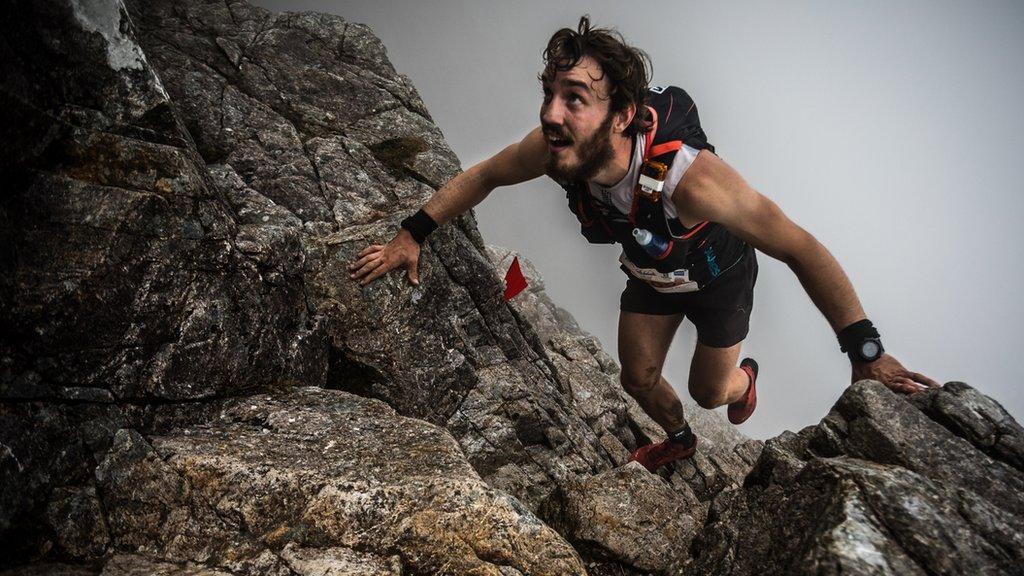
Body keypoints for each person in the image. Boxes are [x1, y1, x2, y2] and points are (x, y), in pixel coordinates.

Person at [349, 16, 938, 472]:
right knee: (638, 378)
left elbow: (800, 246)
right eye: (550, 92)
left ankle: (744, 379)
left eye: (574, 97)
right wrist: (411, 235)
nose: (551, 113)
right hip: (652, 272)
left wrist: (865, 354)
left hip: (717, 280)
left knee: (712, 393)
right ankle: (678, 442)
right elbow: (484, 176)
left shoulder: (692, 179)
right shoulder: (555, 148)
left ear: (624, 114)